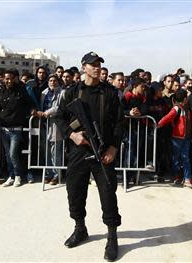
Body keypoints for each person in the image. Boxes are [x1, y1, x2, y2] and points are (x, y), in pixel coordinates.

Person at [54, 52, 123, 262]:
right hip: (78, 152)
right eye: (92, 65)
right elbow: (59, 117)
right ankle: (80, 228)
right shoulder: (71, 92)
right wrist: (72, 135)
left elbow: (120, 122)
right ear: (83, 67)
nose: (97, 68)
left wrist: (113, 148)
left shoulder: (109, 93)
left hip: (103, 152)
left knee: (108, 193)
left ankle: (112, 237)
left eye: (99, 64)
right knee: (74, 191)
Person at [0, 69, 32, 188]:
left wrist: (33, 110)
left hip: (16, 128)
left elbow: (29, 103)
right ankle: (11, 176)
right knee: (7, 155)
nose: (8, 81)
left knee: (13, 153)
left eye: (10, 78)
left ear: (14, 78)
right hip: (4, 128)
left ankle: (18, 175)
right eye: (6, 78)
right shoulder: (1, 92)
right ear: (3, 79)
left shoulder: (21, 90)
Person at [157, 89, 192, 188]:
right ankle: (177, 175)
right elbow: (167, 117)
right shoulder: (177, 109)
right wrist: (159, 124)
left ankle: (187, 178)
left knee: (186, 158)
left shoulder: (187, 108)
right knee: (176, 158)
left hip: (186, 138)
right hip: (177, 138)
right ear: (185, 99)